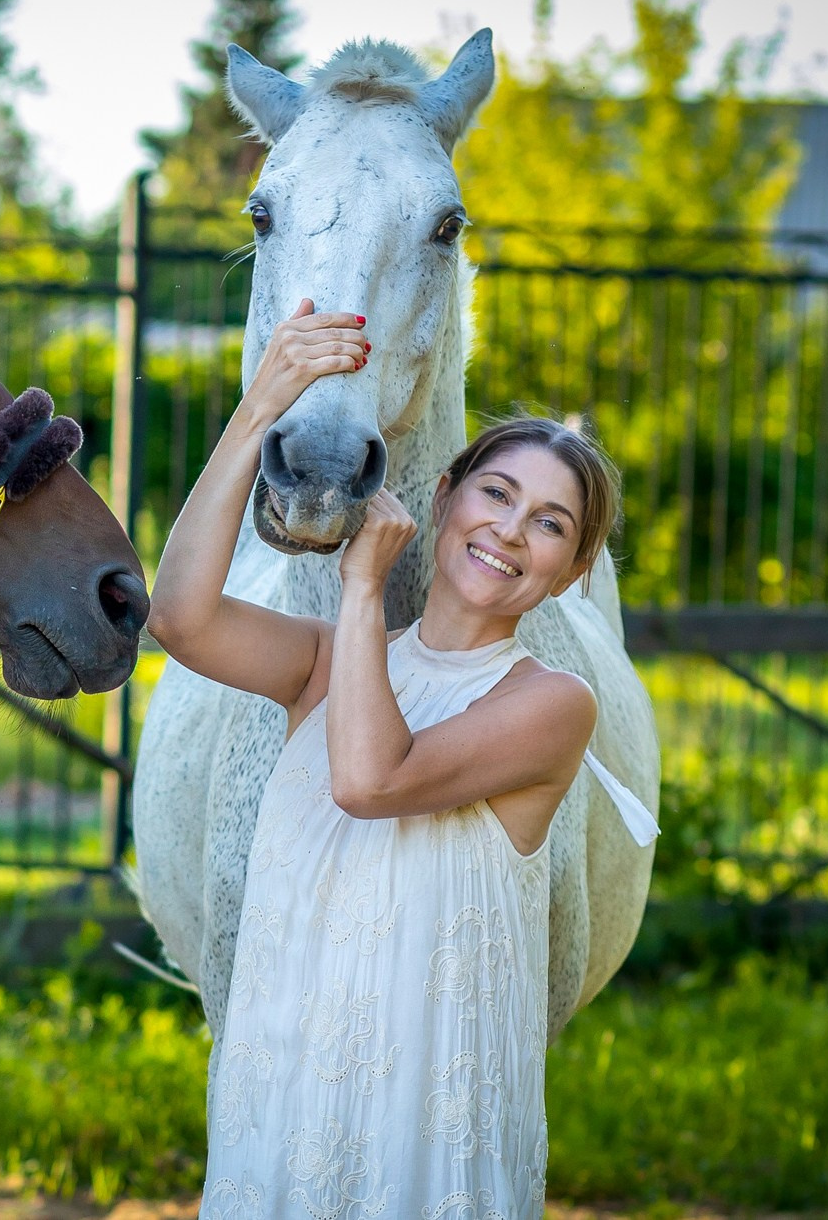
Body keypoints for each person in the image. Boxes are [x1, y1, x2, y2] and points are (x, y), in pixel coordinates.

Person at [146, 300, 646, 1219]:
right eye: (496, 494)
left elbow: (370, 777)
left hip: (426, 1132)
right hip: (289, 1092)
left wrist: (364, 583)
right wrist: (259, 410)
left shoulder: (550, 704)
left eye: (549, 524)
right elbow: (179, 616)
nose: (507, 531)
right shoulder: (325, 661)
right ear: (446, 491)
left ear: (572, 573)